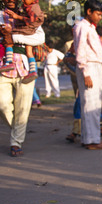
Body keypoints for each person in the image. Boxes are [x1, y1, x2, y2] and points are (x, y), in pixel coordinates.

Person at [73, 0, 102, 150]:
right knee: (90, 104)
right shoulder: (82, 27)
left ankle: (89, 138)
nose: (100, 17)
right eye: (98, 14)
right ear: (89, 12)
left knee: (94, 104)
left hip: (95, 65)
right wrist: (86, 72)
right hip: (88, 66)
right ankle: (92, 141)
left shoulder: (90, 28)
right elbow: (80, 49)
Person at [0, 0, 37, 156]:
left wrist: (10, 36)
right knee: (3, 105)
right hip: (4, 65)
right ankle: (18, 130)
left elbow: (39, 38)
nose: (11, 1)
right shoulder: (0, 16)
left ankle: (16, 142)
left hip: (25, 67)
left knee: (23, 108)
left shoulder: (28, 15)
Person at [0, 0, 45, 84]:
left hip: (24, 69)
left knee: (24, 96)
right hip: (2, 71)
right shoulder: (0, 15)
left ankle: (32, 71)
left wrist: (12, 37)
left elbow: (40, 38)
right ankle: (9, 62)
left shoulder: (27, 12)